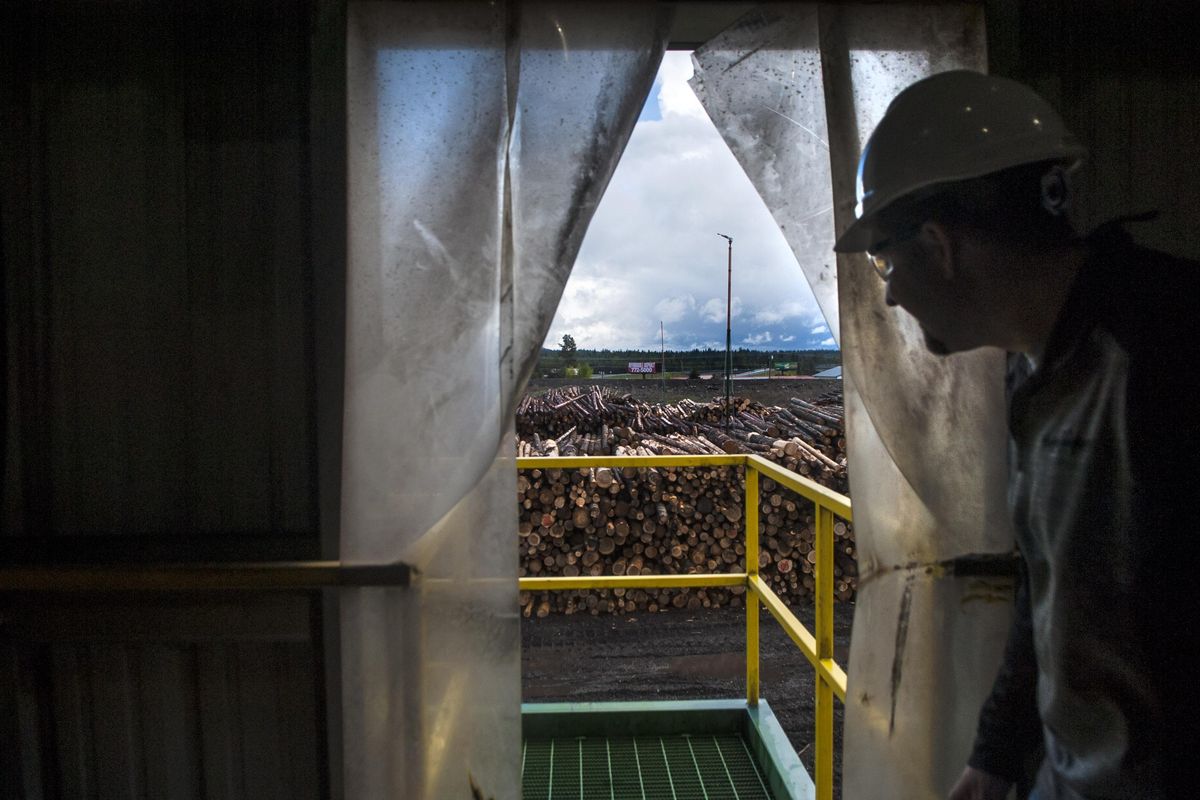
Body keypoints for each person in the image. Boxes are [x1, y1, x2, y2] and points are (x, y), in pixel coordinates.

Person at [833, 70, 1200, 799]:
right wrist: (997, 759)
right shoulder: (1035, 370)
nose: (893, 291)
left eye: (885, 260)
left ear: (938, 243)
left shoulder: (1168, 355)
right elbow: (1048, 581)